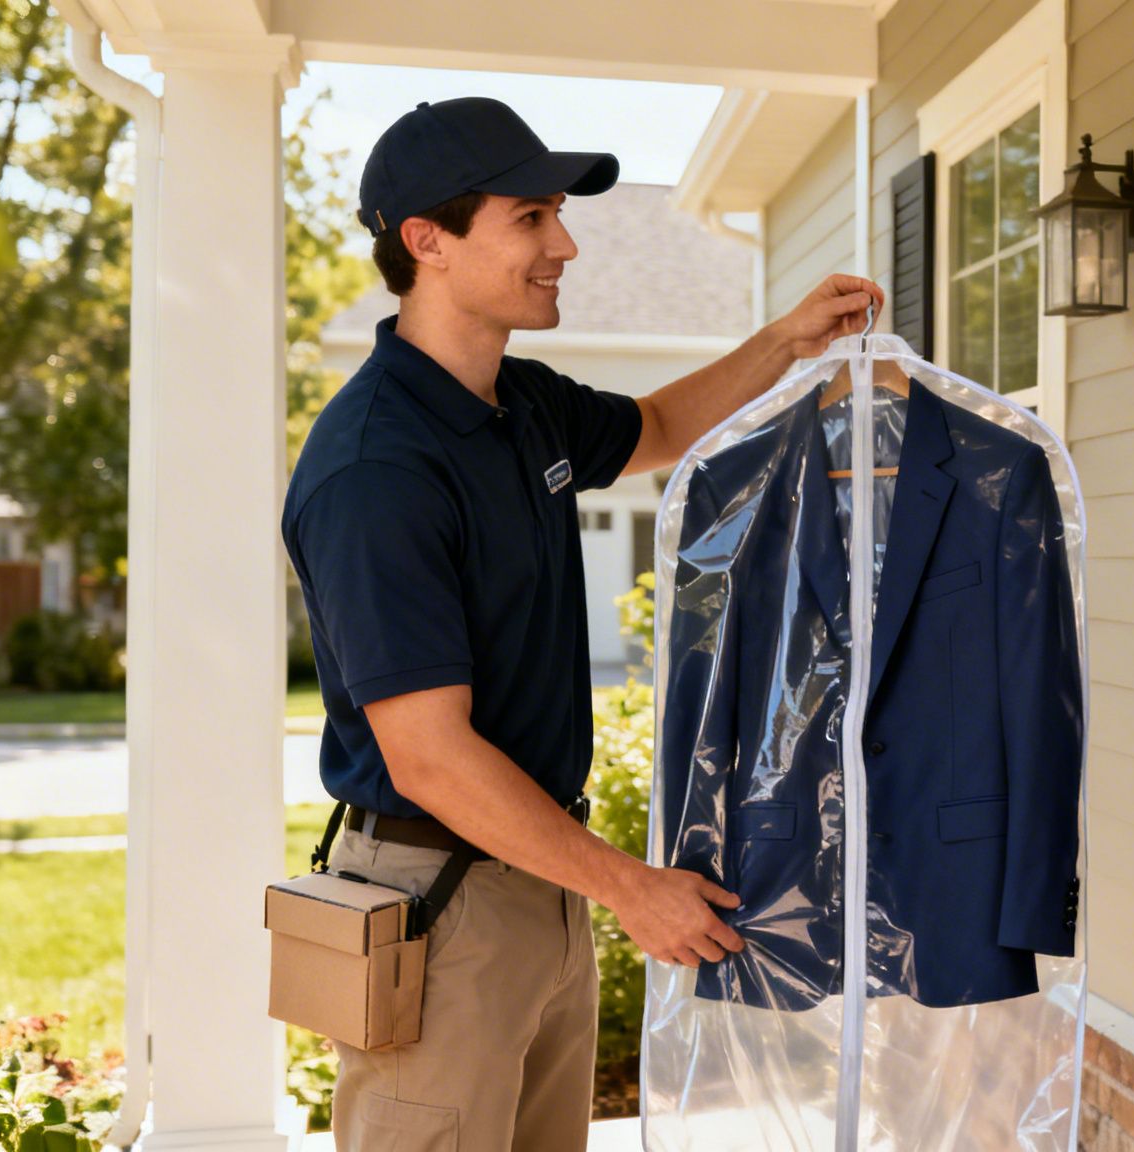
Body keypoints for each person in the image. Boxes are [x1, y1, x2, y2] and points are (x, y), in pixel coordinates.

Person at [281, 96, 884, 1151]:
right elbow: (426, 757)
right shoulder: (378, 467)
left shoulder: (524, 405)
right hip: (441, 894)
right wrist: (630, 888)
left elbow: (651, 428)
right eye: (530, 218)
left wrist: (784, 341)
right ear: (428, 239)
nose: (565, 244)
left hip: (538, 881)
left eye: (558, 213)